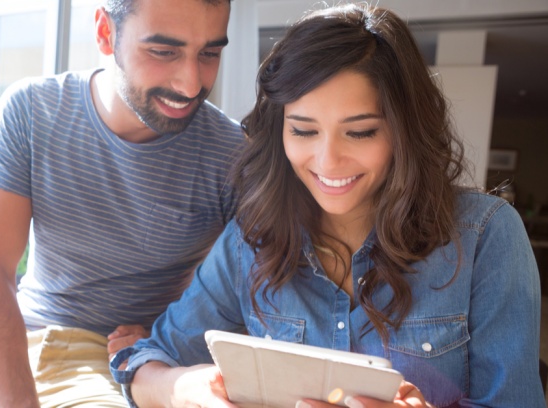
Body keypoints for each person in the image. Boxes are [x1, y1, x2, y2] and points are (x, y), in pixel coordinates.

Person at [110, 3, 544, 407]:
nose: (327, 162)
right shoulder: (253, 239)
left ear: (403, 132)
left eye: (360, 132)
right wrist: (184, 388)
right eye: (303, 131)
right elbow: (148, 358)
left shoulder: (486, 235)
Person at [0, 0, 243, 406]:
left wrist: (177, 335)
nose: (191, 83)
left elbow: (259, 292)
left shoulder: (232, 154)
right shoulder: (32, 111)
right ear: (106, 34)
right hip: (44, 341)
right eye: (163, 52)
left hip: (154, 358)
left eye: (209, 54)